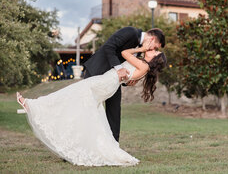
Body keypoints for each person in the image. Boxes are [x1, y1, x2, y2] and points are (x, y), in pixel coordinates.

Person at [16, 43, 167, 166]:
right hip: (107, 83)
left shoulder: (144, 66)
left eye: (155, 52)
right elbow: (129, 72)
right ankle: (40, 110)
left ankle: (33, 105)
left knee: (70, 93)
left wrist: (141, 48)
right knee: (77, 105)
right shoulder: (143, 66)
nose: (152, 50)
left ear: (155, 59)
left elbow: (125, 53)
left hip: (105, 82)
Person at [83, 27, 165, 142]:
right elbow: (109, 47)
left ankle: (113, 146)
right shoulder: (130, 32)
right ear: (152, 39)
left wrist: (129, 81)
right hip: (97, 71)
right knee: (87, 109)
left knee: (114, 112)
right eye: (155, 48)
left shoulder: (141, 53)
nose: (152, 50)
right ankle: (78, 144)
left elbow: (128, 68)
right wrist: (119, 69)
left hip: (114, 81)